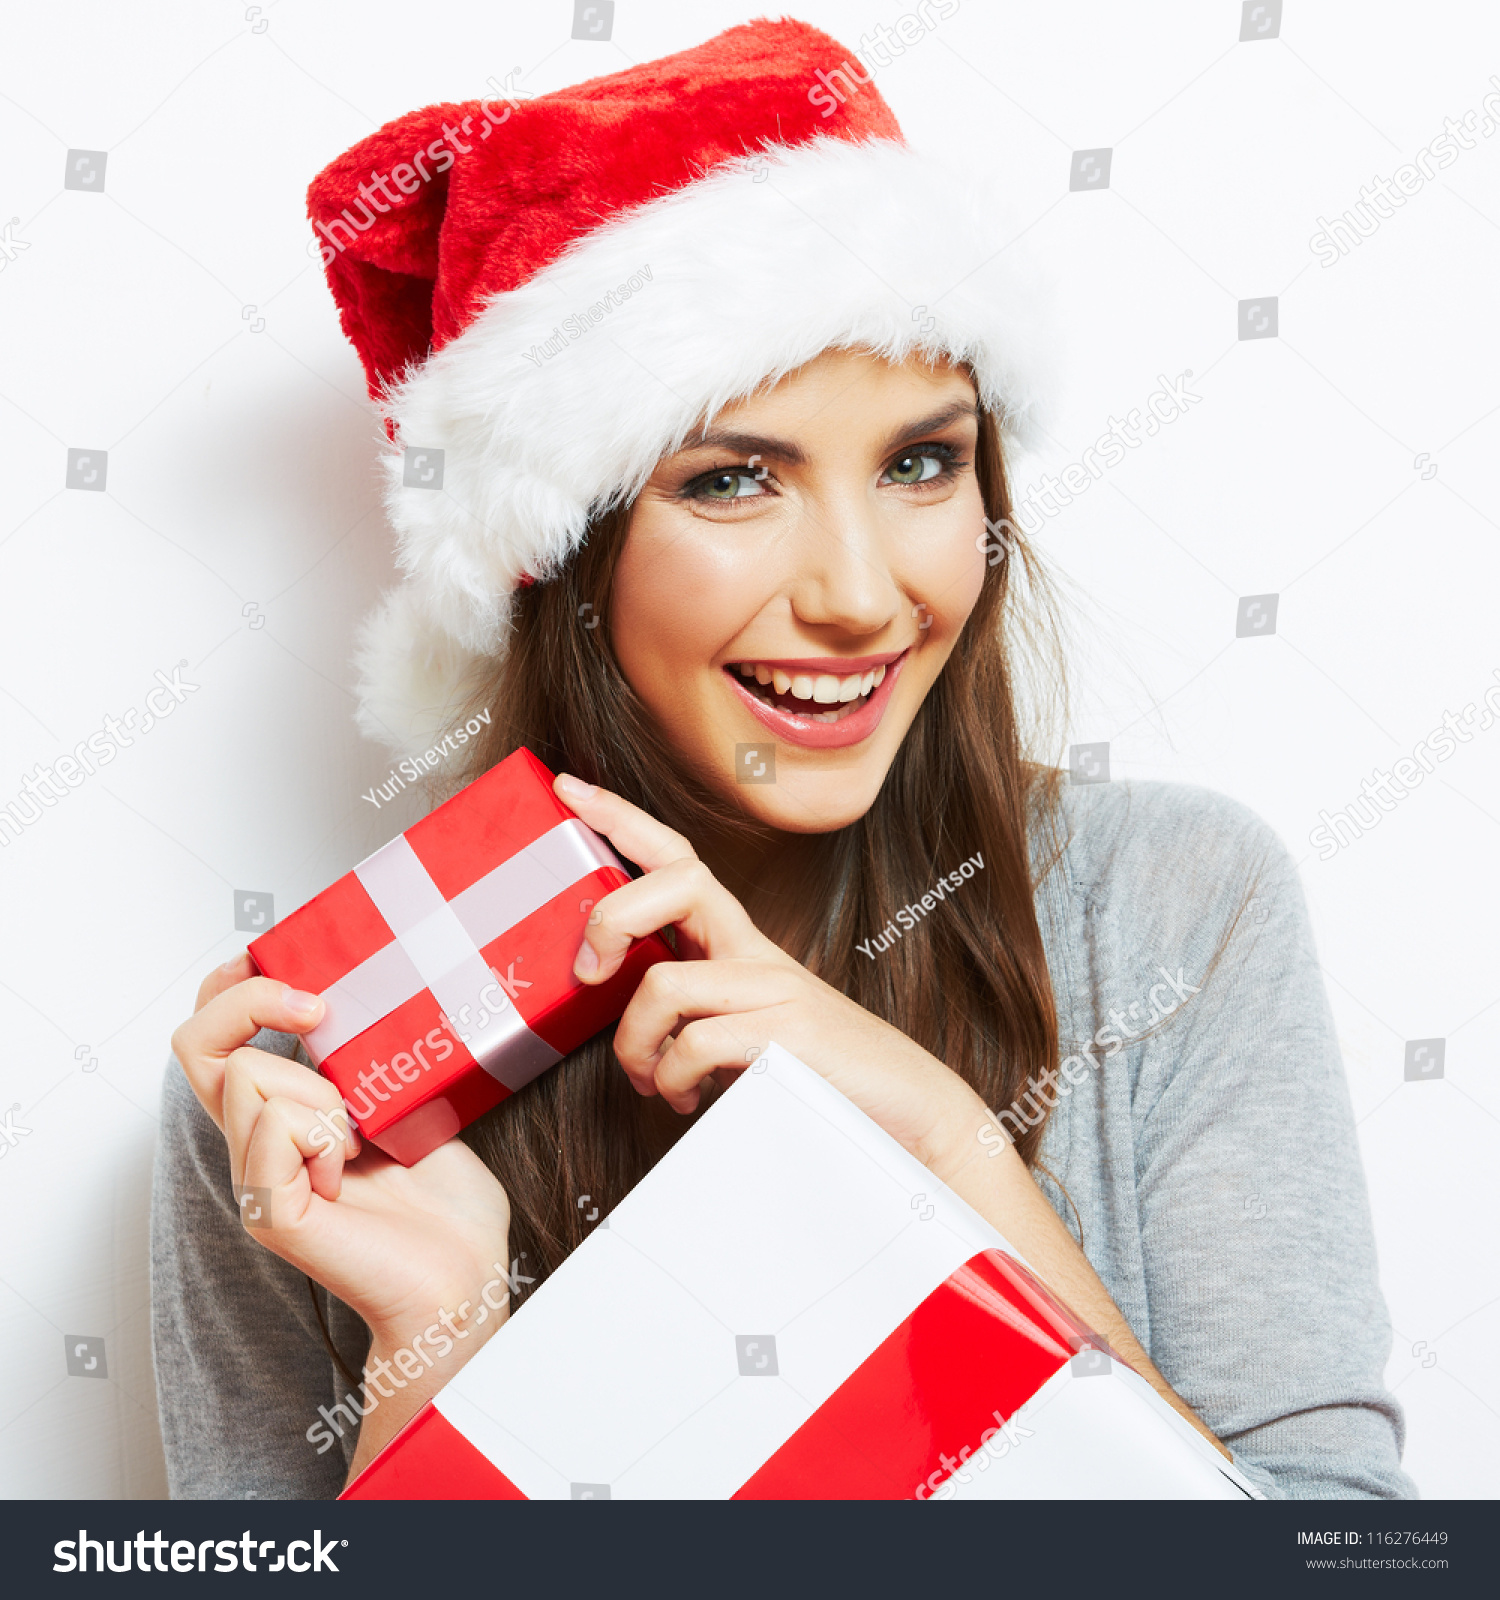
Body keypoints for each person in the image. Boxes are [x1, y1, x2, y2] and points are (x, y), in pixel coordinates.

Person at [152, 19, 1414, 1500]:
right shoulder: (315, 1071)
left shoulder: (1175, 906)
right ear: (559, 552)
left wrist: (949, 1155)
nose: (864, 594)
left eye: (922, 463)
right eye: (734, 478)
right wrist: (437, 1339)